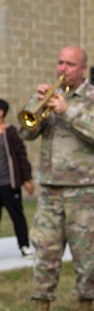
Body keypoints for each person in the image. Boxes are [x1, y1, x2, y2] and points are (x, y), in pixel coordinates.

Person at [19, 46, 94, 311]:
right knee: (44, 254)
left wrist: (68, 110)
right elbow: (26, 132)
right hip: (50, 190)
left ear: (83, 68)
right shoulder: (49, 96)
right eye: (60, 61)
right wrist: (37, 103)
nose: (63, 68)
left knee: (86, 255)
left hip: (85, 191)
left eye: (70, 64)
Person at [0, 99, 34, 257]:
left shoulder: (11, 132)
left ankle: (24, 246)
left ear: (1, 112)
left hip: (9, 183)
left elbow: (21, 156)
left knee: (17, 216)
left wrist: (26, 179)